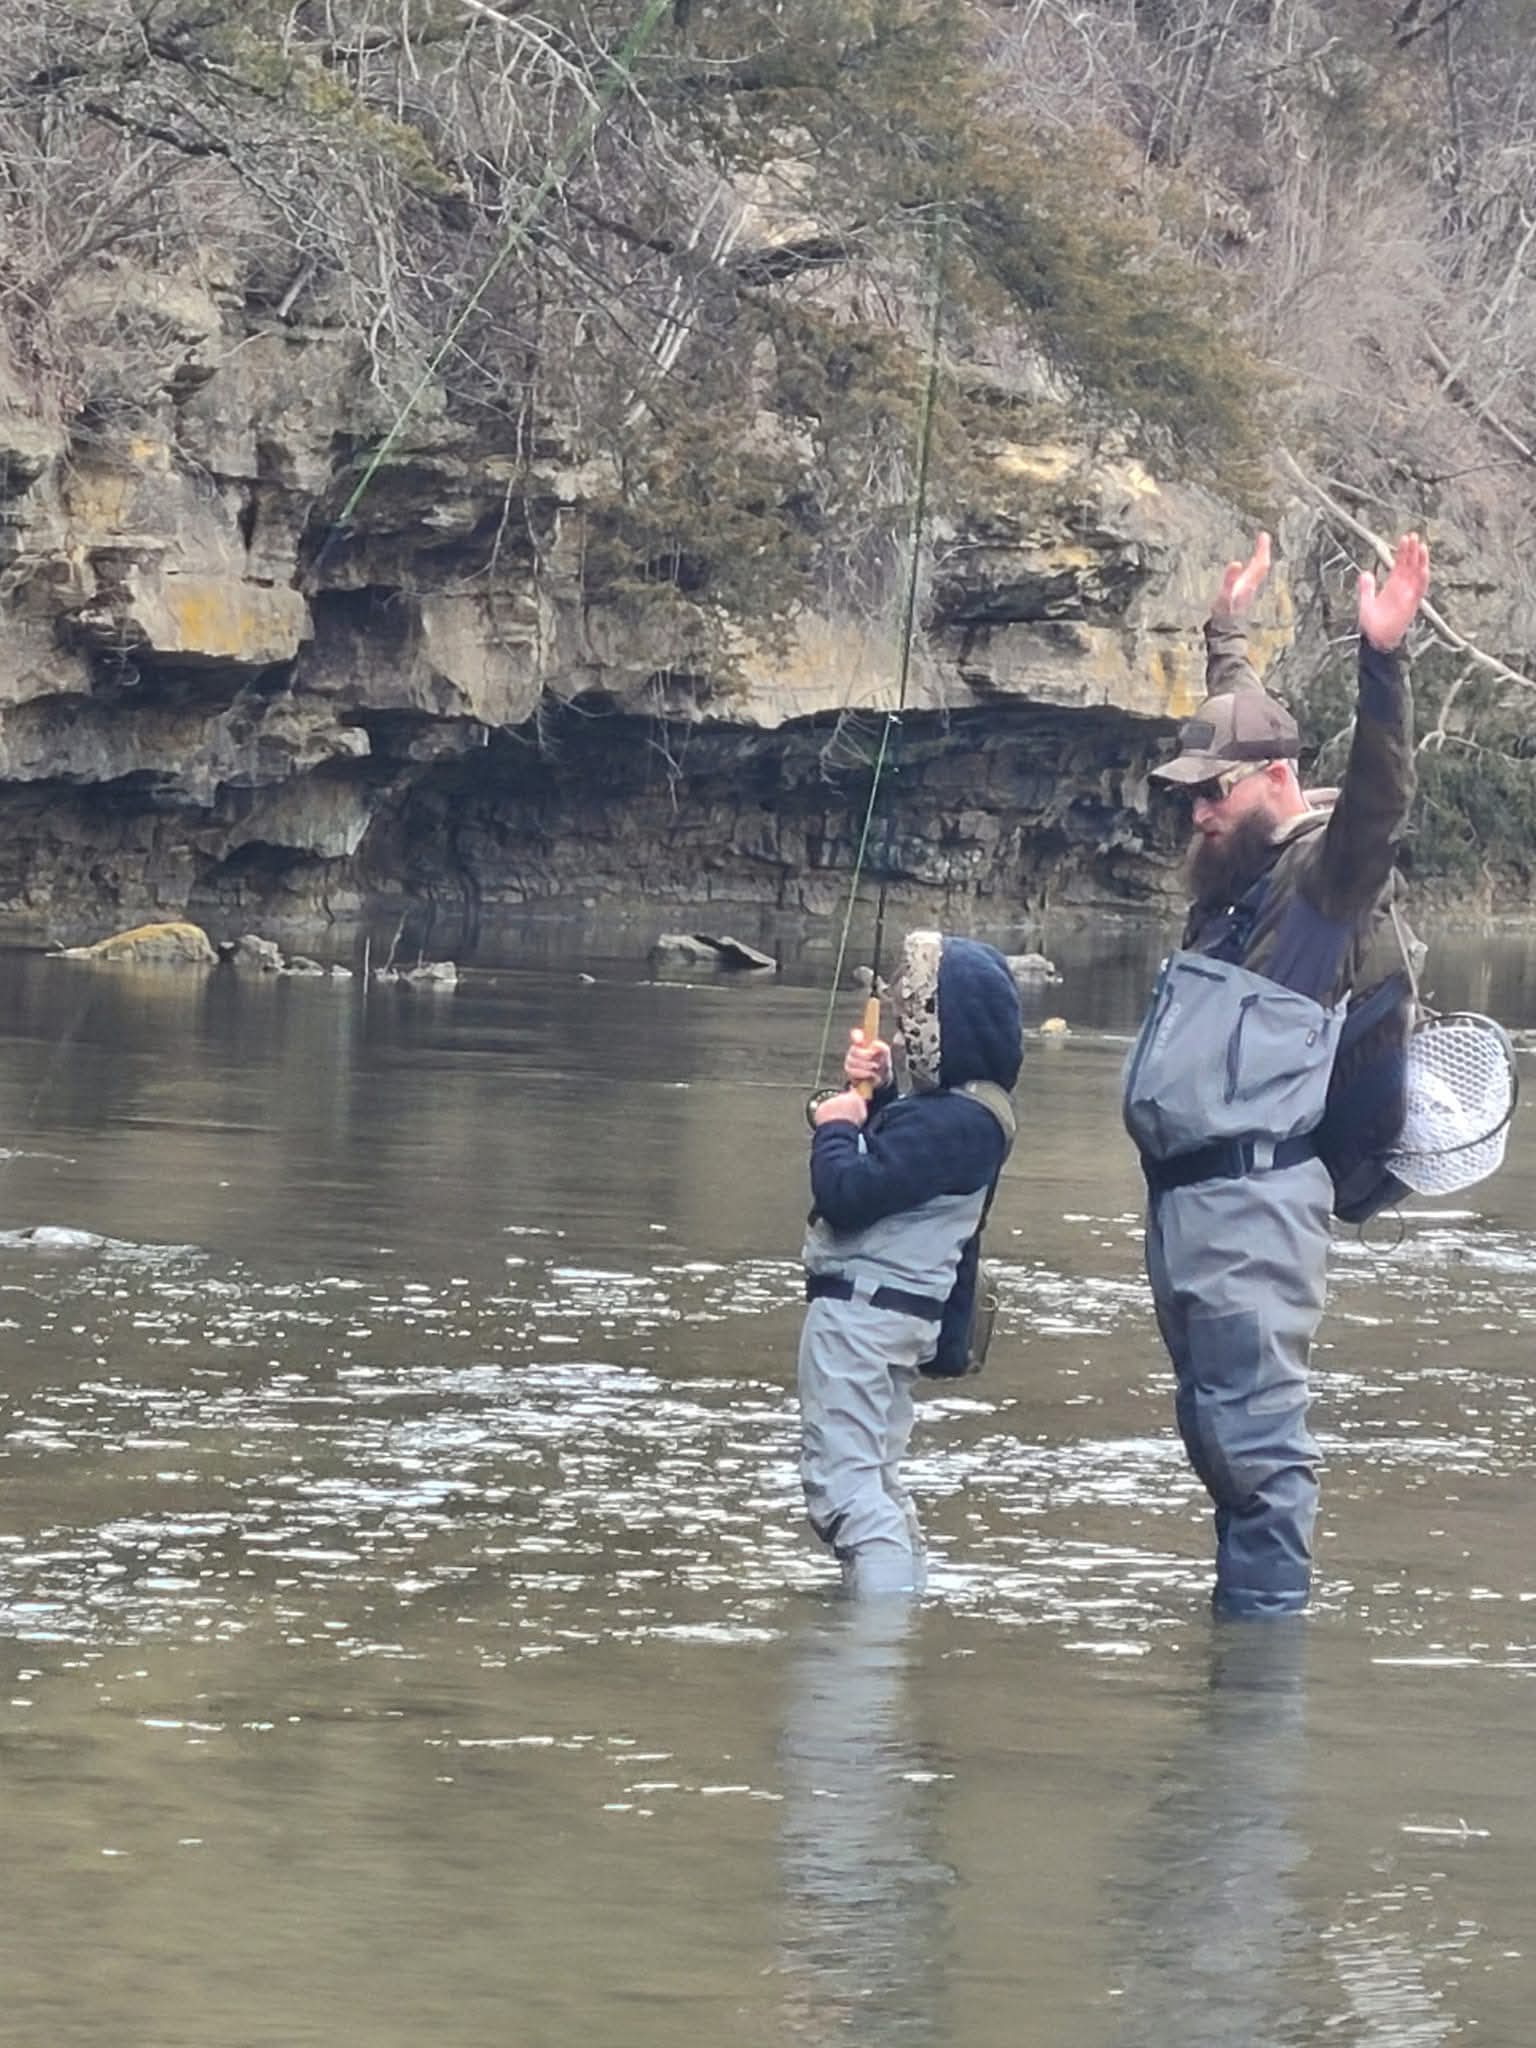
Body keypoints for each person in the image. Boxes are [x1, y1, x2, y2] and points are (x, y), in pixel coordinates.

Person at [1124, 529, 1429, 1618]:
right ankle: (1235, 1651)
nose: (1199, 812)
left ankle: (1259, 1683)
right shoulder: (1234, 878)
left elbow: (1379, 804)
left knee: (1261, 1467)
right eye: (1191, 795)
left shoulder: (1322, 884)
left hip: (1254, 1216)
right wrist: (1227, 630)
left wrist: (1382, 659)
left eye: (1214, 793)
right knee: (1216, 1444)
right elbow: (1243, 718)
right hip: (1191, 1210)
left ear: (1278, 780)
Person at [799, 930, 1022, 1598]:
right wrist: (881, 1093)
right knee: (878, 1479)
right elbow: (906, 1167)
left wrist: (838, 1125)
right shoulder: (970, 1115)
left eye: (913, 1021)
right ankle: (902, 1606)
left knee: (844, 1492)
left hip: (862, 1320)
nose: (901, 1034)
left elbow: (847, 1194)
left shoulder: (954, 1124)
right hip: (895, 1318)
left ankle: (873, 1633)